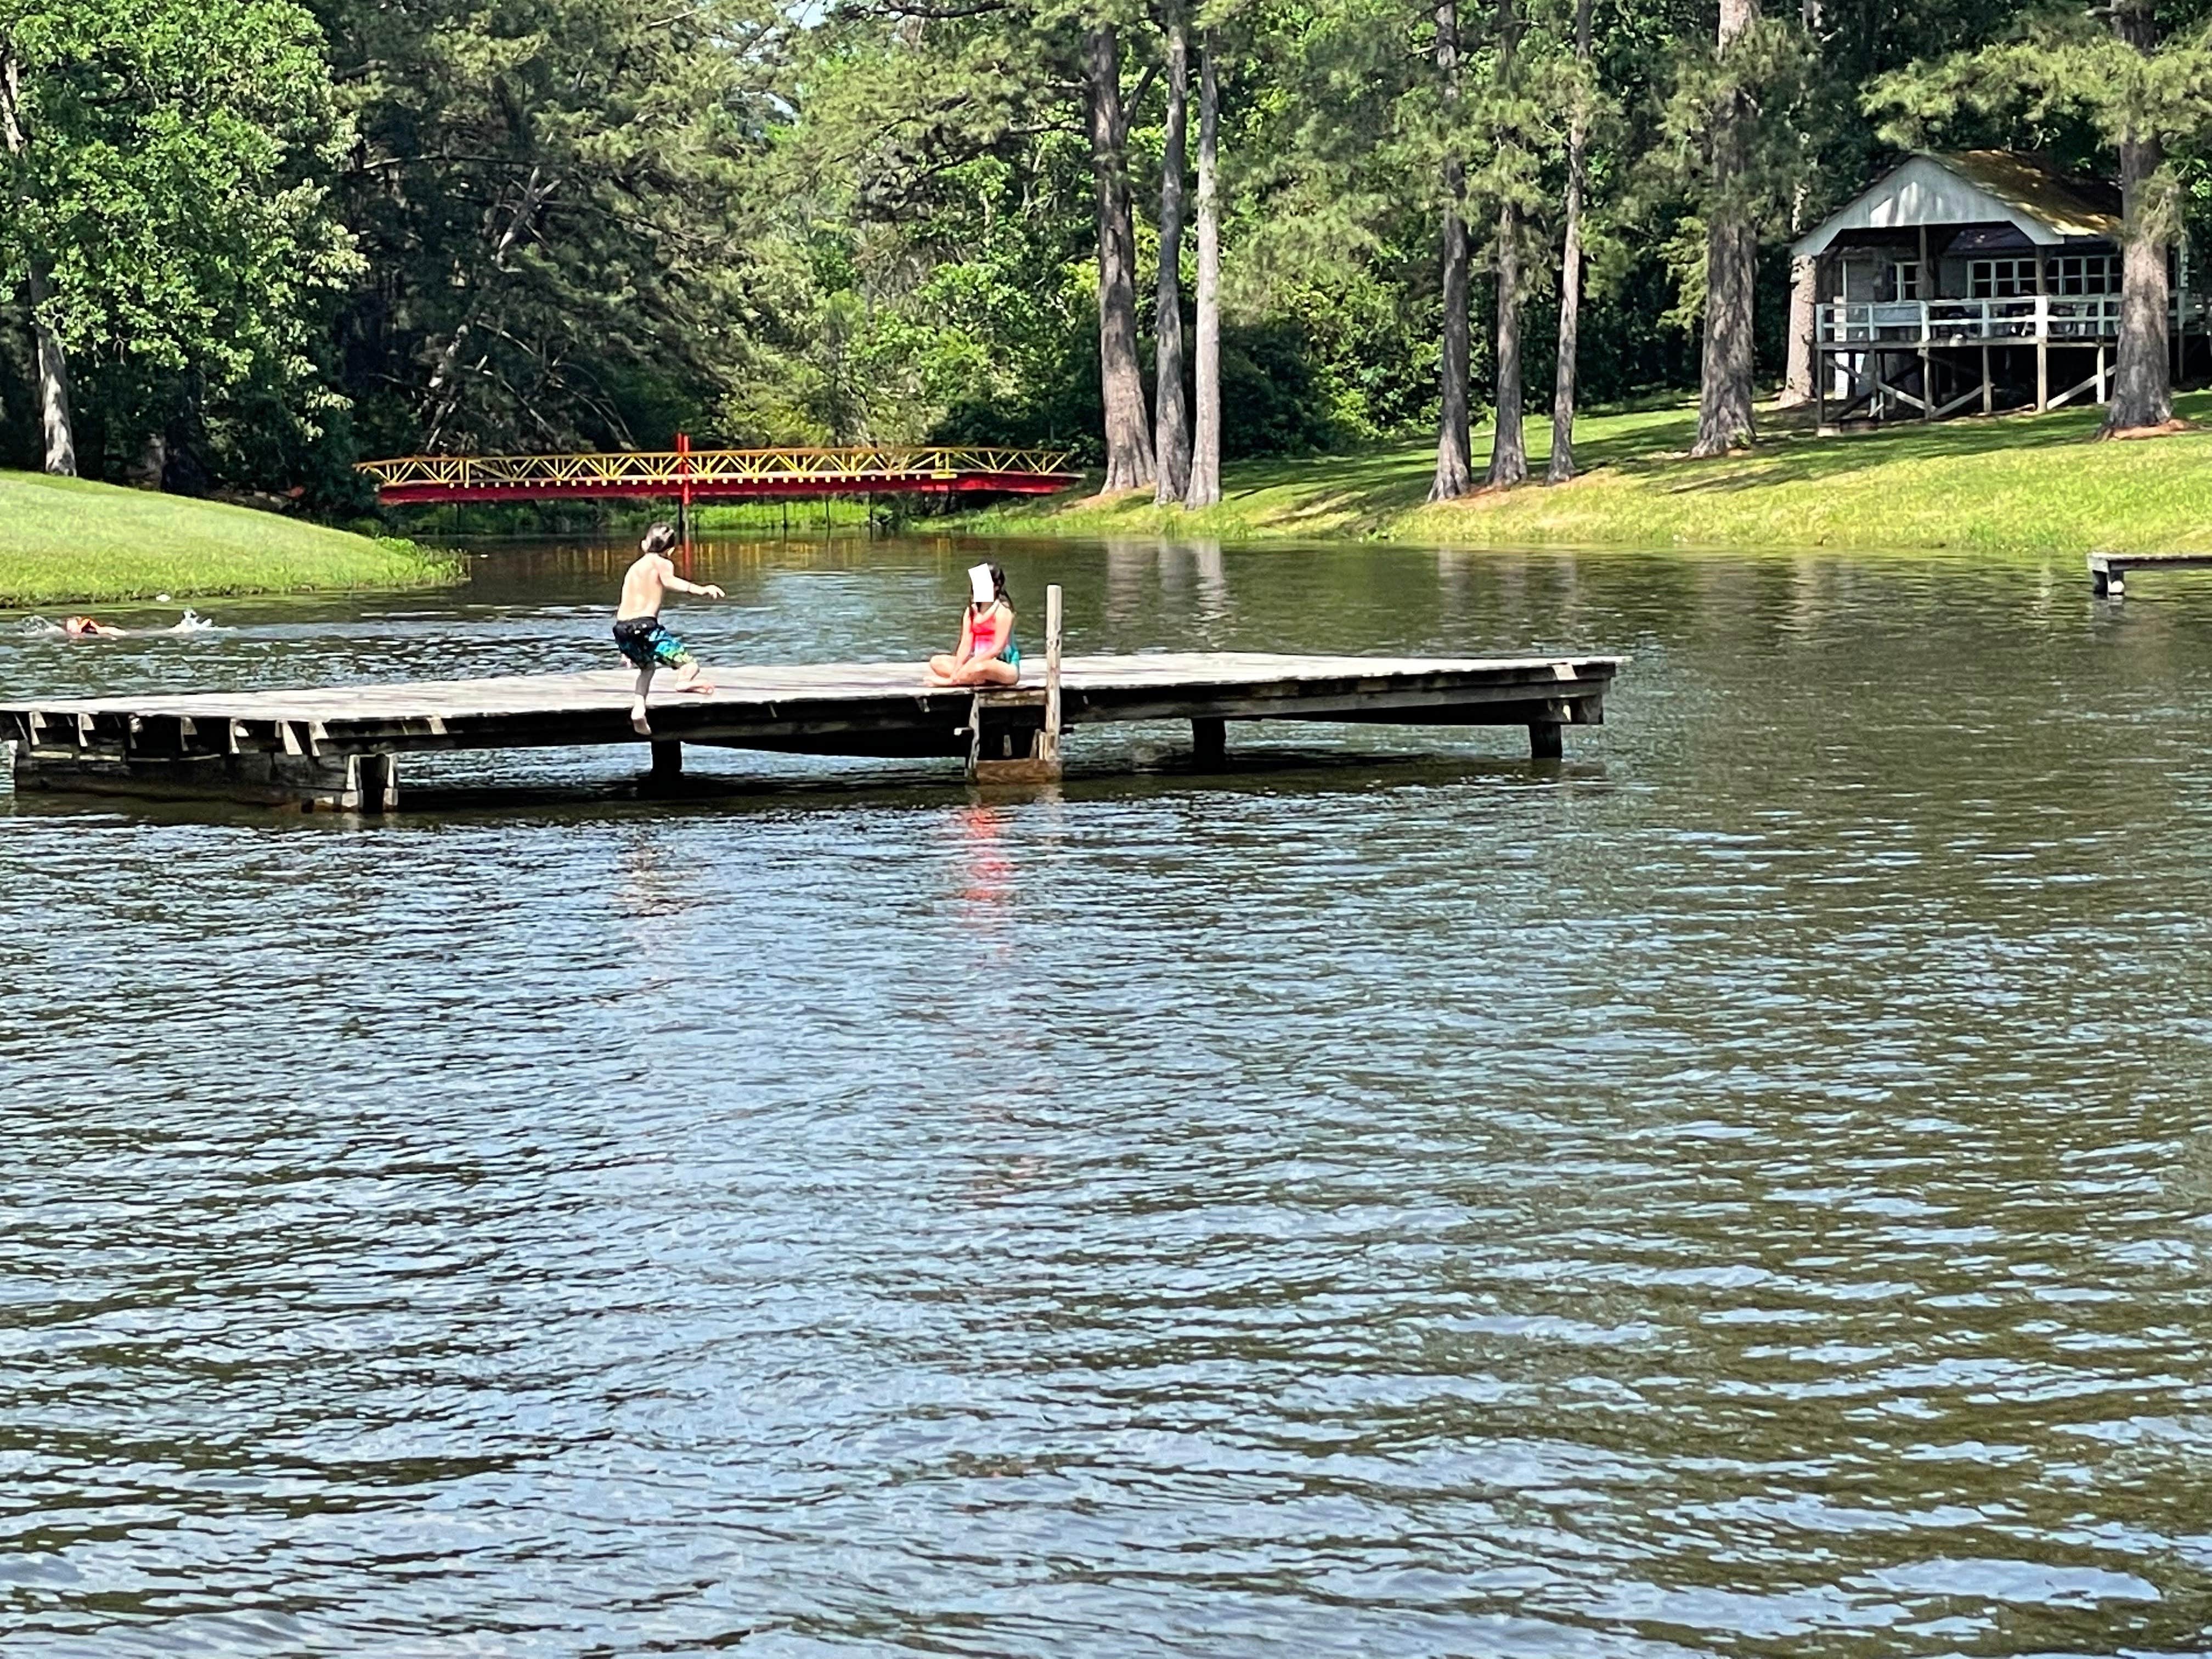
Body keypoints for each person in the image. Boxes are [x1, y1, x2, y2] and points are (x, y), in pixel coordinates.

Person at [613, 522, 725, 735]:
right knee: (689, 665)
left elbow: (624, 604)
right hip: (646, 627)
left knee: (647, 669)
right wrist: (700, 589)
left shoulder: (633, 569)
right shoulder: (662, 563)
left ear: (644, 545)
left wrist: (625, 649)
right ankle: (683, 682)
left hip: (622, 629)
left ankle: (639, 710)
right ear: (671, 550)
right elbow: (671, 581)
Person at [926, 563, 1020, 687]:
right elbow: (965, 644)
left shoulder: (1003, 612)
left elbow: (997, 649)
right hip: (976, 662)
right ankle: (973, 678)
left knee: (980, 668)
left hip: (1002, 665)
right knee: (937, 662)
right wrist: (958, 668)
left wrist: (968, 667)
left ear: (996, 587)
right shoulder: (971, 612)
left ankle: (956, 681)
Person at [61, 616, 126, 639]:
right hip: (108, 633)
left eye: (72, 626)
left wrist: (80, 628)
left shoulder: (84, 624)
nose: (70, 628)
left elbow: (87, 620)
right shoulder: (83, 631)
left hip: (110, 631)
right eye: (69, 626)